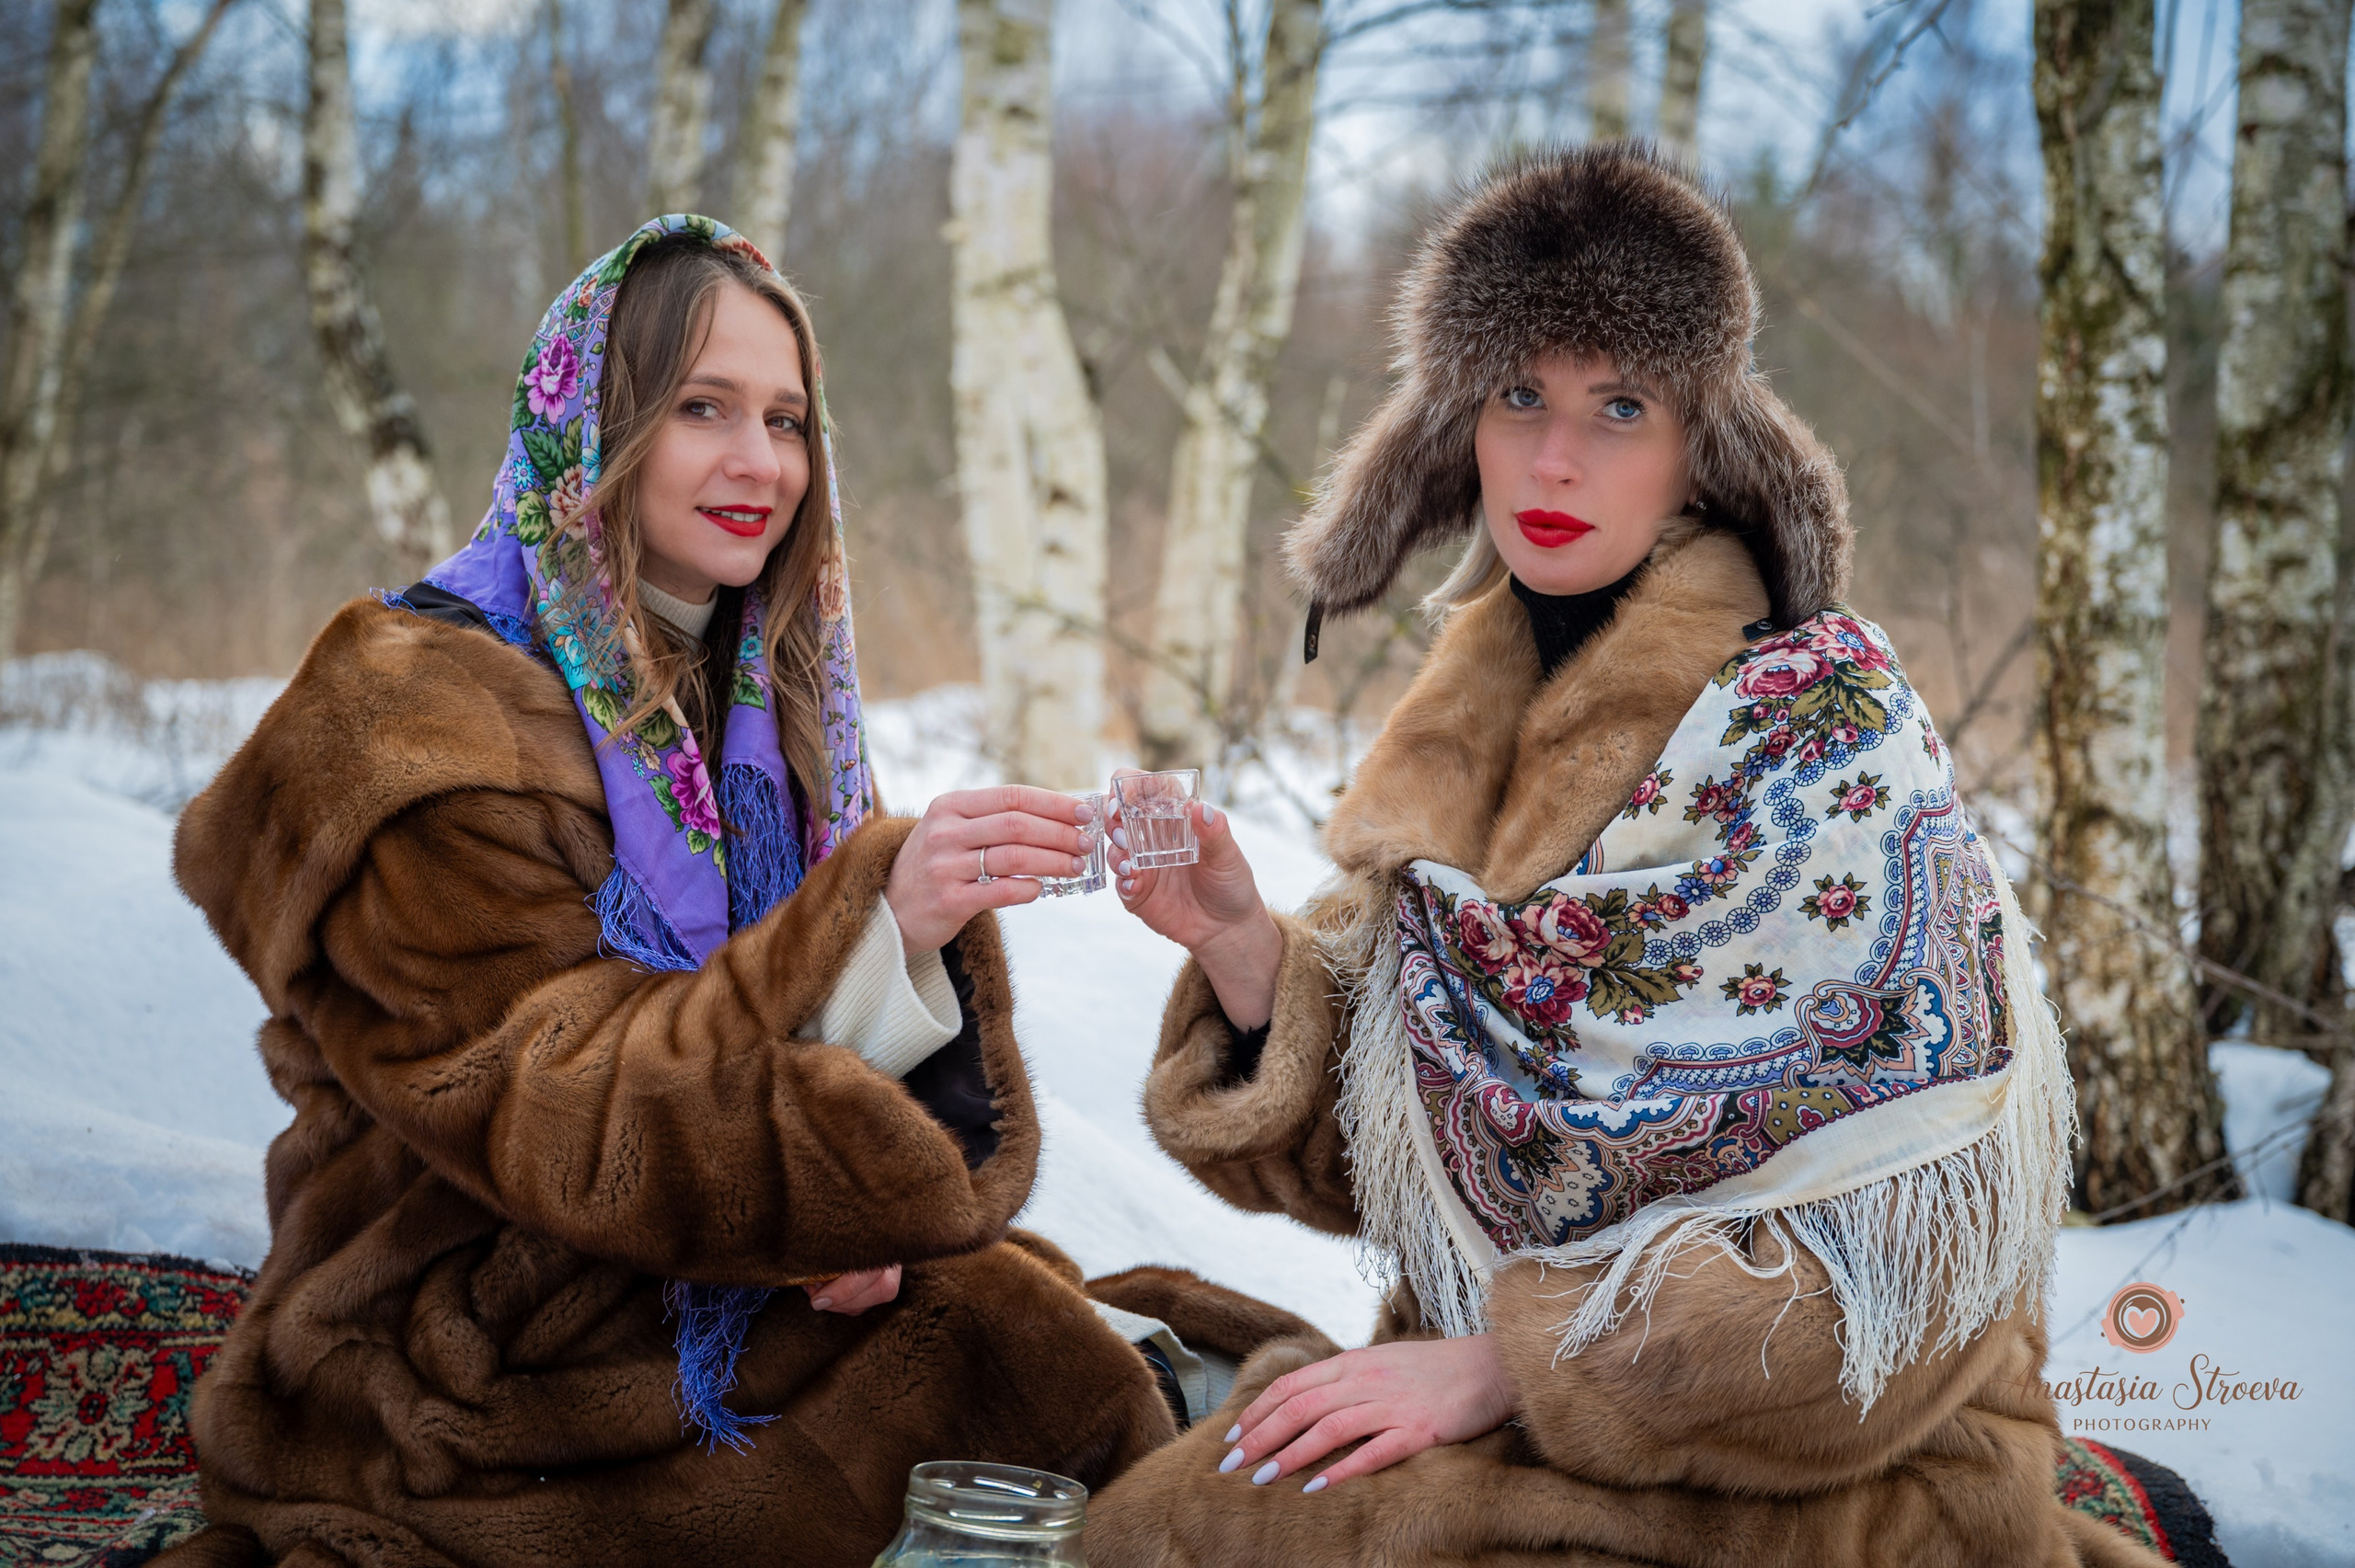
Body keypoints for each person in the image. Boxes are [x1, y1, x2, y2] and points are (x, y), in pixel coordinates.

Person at [159, 215, 1304, 1568]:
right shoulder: (414, 729)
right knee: (1050, 1402)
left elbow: (814, 1074)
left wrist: (863, 1159)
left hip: (696, 1268)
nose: (761, 464)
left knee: (1174, 1378)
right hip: (465, 1339)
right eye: (704, 409)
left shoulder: (759, 697)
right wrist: (881, 930)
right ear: (596, 425)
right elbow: (559, 1105)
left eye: (788, 418)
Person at [1090, 147, 2164, 1567]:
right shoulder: (1460, 725)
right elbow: (1432, 1162)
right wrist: (1238, 945)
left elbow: (1901, 1273)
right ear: (1456, 422)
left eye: (1621, 407)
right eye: (1520, 394)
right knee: (1127, 1483)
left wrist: (1511, 1368)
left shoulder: (1817, 738)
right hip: (1523, 1416)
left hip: (1837, 1460)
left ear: (1704, 444)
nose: (1553, 458)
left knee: (1197, 1531)